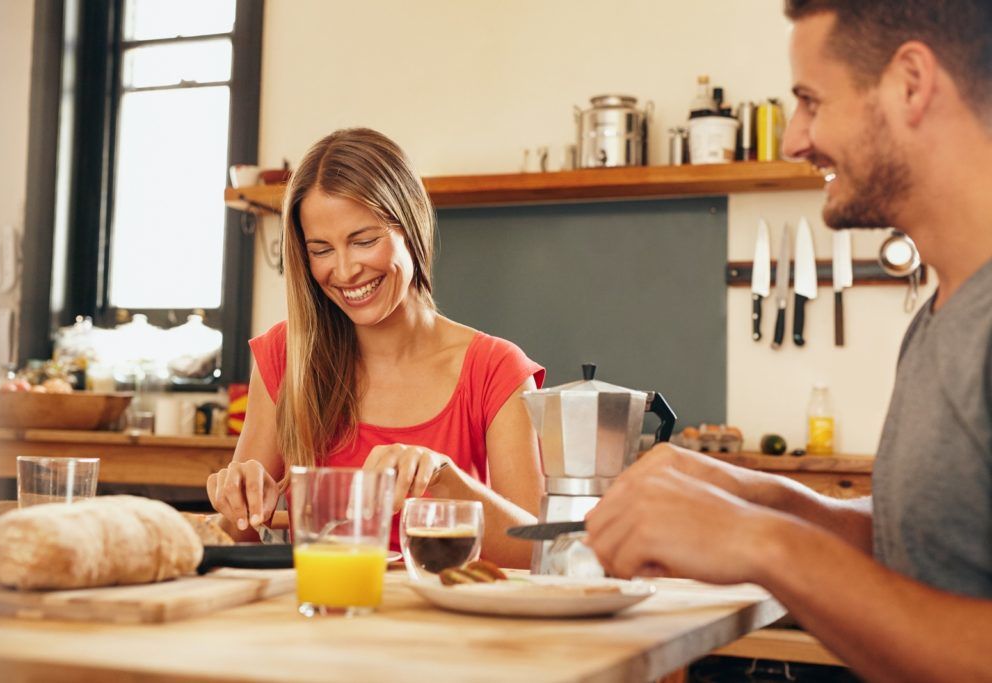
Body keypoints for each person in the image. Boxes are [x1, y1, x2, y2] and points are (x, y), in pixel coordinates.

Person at [585, 1, 992, 681]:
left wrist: (767, 542)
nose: (794, 139)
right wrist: (755, 494)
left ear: (912, 83)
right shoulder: (943, 310)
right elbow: (932, 546)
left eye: (810, 101)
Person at [207, 128, 544, 568]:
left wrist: (445, 481)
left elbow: (536, 554)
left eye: (364, 241)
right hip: (317, 620)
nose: (345, 271)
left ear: (412, 227)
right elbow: (236, 539)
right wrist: (237, 500)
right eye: (321, 249)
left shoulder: (495, 369)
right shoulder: (285, 356)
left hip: (445, 628)